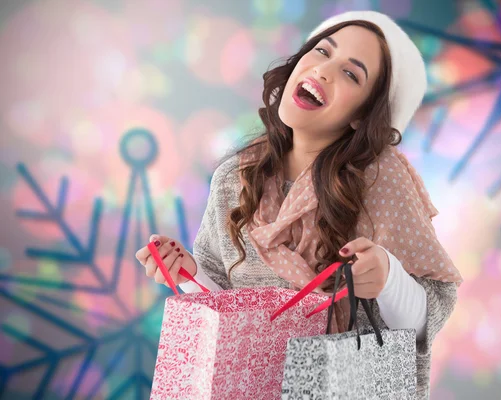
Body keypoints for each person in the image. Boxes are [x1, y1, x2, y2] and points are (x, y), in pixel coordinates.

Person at [135, 10, 462, 398]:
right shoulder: (233, 178)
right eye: (323, 51)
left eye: (351, 74)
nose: (324, 71)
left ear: (362, 115)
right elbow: (225, 313)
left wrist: (389, 279)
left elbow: (433, 312)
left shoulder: (381, 181)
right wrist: (189, 274)